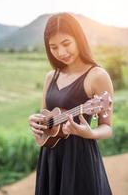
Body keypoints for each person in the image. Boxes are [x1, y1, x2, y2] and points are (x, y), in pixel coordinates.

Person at [29, 12, 114, 195]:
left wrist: (90, 132)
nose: (61, 52)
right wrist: (35, 121)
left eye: (66, 43)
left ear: (79, 39)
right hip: (50, 157)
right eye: (53, 47)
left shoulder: (97, 76)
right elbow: (45, 114)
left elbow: (107, 127)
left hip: (79, 158)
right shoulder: (51, 77)